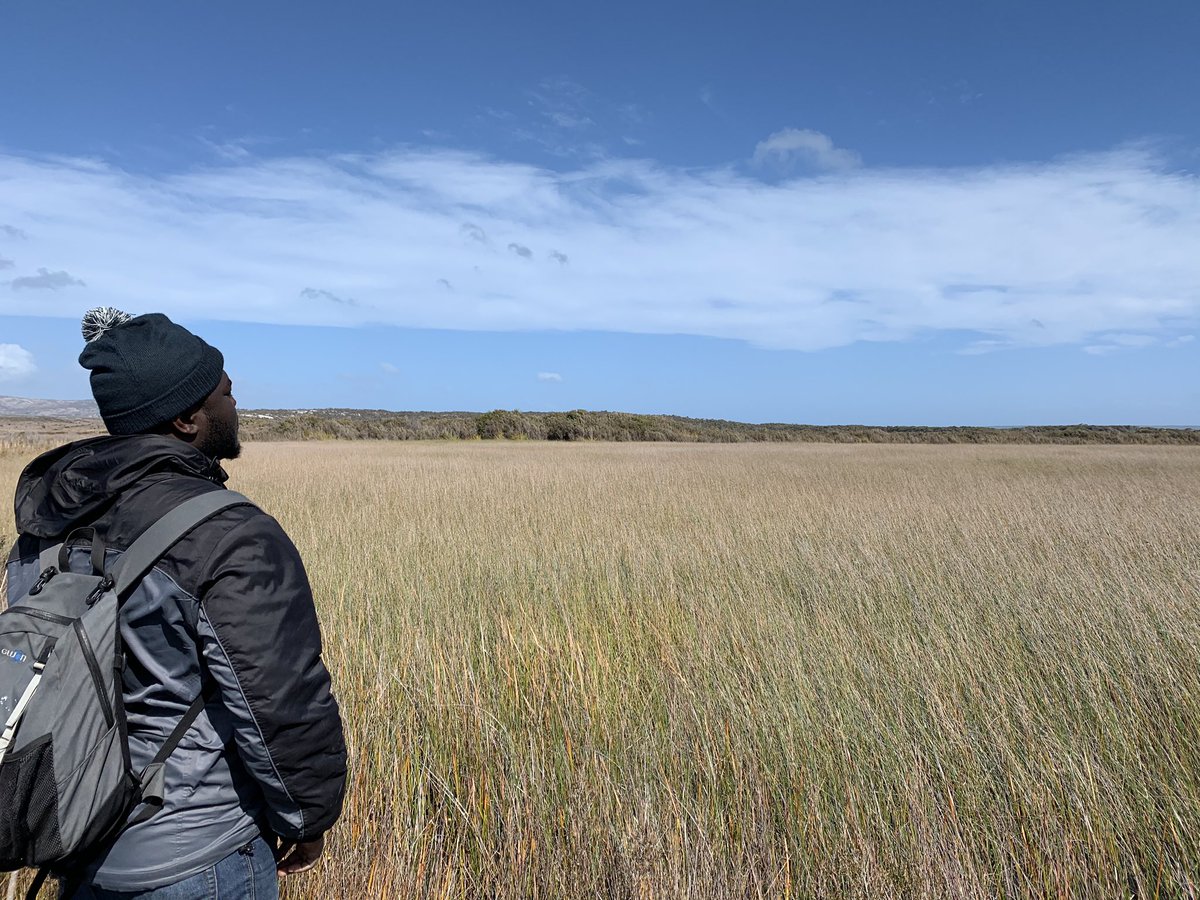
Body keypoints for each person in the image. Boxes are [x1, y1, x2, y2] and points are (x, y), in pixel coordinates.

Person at [3, 309, 347, 898]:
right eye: (226, 392)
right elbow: (278, 700)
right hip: (197, 856)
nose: (236, 405)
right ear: (189, 419)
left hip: (75, 840)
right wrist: (309, 818)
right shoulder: (230, 535)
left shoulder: (47, 524)